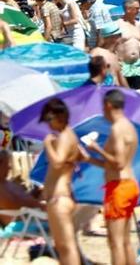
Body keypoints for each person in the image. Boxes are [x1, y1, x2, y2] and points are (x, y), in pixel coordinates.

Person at [83, 90, 139, 265]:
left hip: (119, 188)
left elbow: (119, 163)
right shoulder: (129, 126)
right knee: (124, 241)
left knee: (115, 242)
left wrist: (95, 148)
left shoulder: (117, 129)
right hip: (128, 184)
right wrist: (88, 159)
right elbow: (115, 165)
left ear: (108, 105)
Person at [40, 98, 81, 265]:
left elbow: (57, 162)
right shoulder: (68, 135)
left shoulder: (64, 136)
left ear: (60, 116)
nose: (48, 124)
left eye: (49, 119)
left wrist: (47, 144)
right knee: (63, 246)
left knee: (67, 247)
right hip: (61, 196)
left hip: (60, 198)